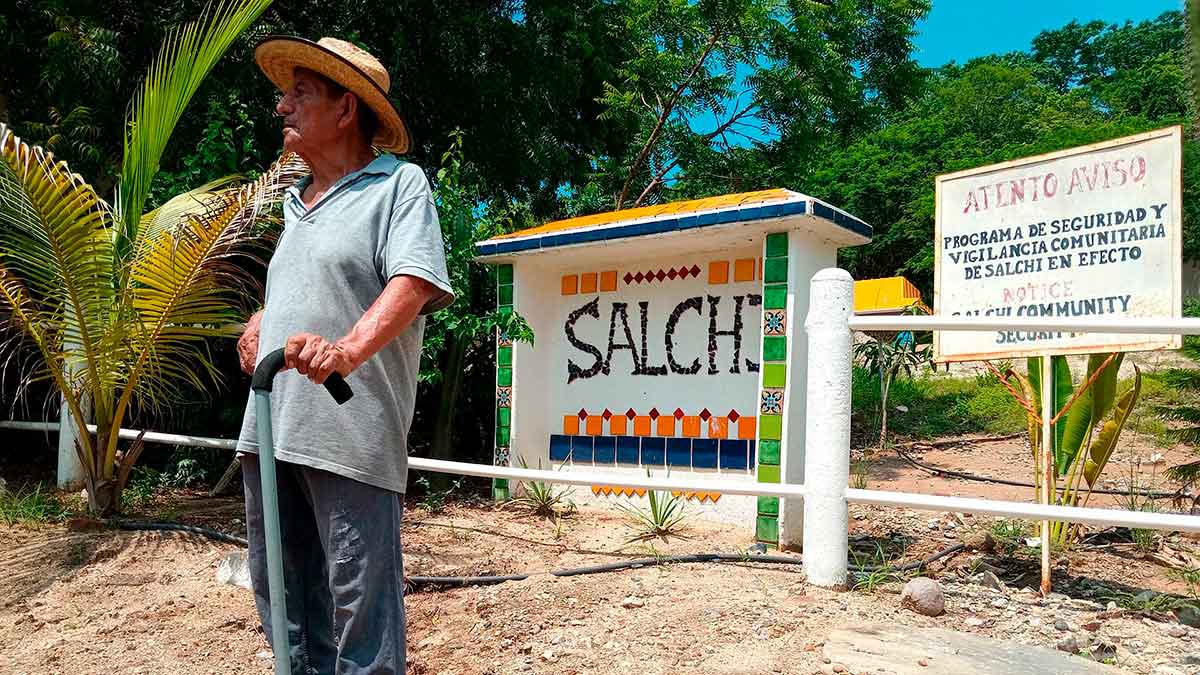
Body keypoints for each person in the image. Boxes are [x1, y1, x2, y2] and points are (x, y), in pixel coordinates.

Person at [235, 35, 453, 674]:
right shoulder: (294, 205)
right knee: (285, 608)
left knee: (361, 618)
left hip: (348, 437)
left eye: (300, 93)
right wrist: (260, 321)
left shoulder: (398, 186)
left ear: (345, 109)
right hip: (273, 428)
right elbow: (306, 288)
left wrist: (347, 351)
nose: (282, 108)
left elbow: (412, 281)